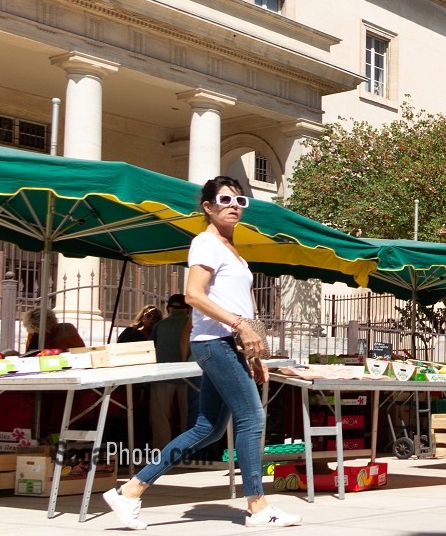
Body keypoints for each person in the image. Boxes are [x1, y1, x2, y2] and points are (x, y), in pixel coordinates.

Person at [103, 176, 300, 529]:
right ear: (208, 206)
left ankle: (130, 490)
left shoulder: (232, 250)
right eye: (225, 199)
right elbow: (194, 295)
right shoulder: (206, 243)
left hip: (229, 345)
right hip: (214, 343)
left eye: (240, 202)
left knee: (207, 429)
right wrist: (239, 327)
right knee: (252, 418)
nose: (233, 206)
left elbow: (242, 305)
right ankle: (257, 506)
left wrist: (256, 356)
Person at [149, 294, 193, 452]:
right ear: (188, 309)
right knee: (188, 414)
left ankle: (162, 452)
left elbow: (152, 347)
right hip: (189, 376)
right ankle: (187, 449)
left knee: (160, 415)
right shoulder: (191, 325)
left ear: (168, 309)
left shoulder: (159, 326)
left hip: (162, 374)